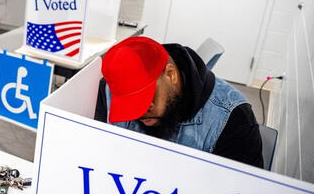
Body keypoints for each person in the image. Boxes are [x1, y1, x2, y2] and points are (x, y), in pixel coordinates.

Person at [94, 37, 263, 168]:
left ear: (170, 74)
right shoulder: (108, 90)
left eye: (146, 100)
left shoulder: (233, 118)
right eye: (128, 105)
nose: (139, 112)